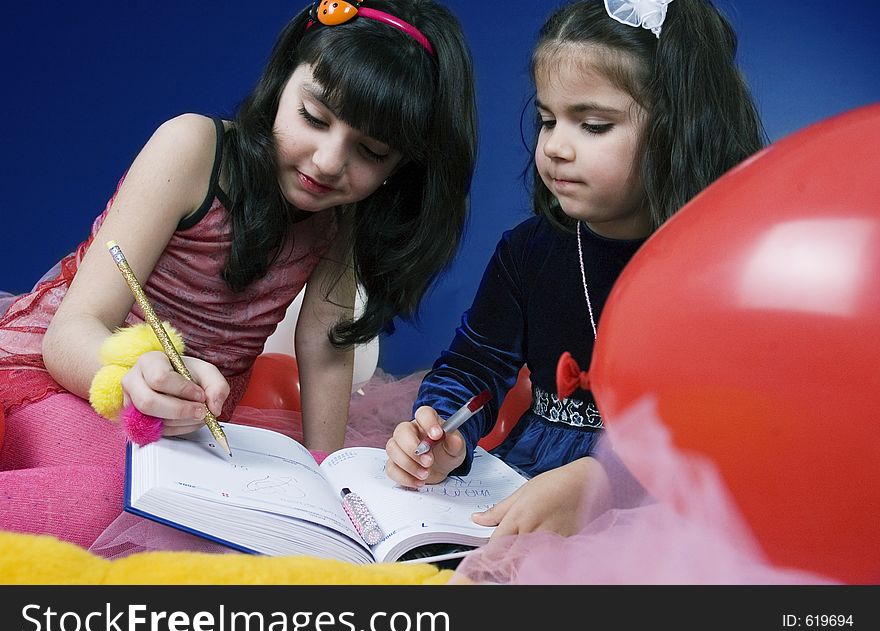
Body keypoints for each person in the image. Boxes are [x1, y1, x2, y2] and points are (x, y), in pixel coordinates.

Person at [0, 0, 476, 549]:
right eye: (314, 118)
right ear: (280, 82)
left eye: (369, 150)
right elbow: (71, 333)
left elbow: (324, 348)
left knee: (242, 519)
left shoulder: (341, 215)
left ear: (399, 168)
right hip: (70, 379)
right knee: (122, 504)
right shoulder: (195, 148)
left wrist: (325, 474)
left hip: (191, 415)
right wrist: (132, 381)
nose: (326, 161)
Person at [385, 0, 765, 542]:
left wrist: (604, 483)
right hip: (527, 478)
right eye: (546, 120)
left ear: (676, 128)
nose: (555, 147)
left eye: (591, 125)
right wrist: (442, 429)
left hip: (659, 503)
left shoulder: (719, 267)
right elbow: (472, 368)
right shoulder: (529, 251)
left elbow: (729, 422)